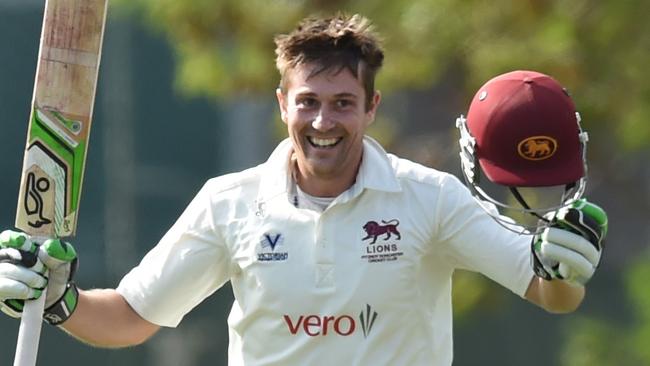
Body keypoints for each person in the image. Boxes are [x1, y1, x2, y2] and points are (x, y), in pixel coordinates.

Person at [0, 13, 607, 366]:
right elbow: (134, 316)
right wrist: (59, 301)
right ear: (281, 105)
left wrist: (566, 268)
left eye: (343, 103)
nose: (323, 122)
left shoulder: (431, 198)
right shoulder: (229, 202)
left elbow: (547, 291)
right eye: (308, 103)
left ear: (372, 108)